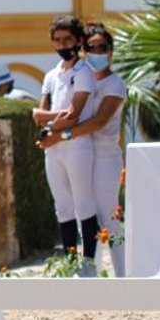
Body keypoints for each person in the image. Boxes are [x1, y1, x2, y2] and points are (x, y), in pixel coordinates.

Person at [39, 23, 127, 275]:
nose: (97, 52)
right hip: (81, 150)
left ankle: (123, 274)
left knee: (109, 217)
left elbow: (98, 121)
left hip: (106, 156)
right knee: (82, 213)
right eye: (91, 47)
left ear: (111, 51)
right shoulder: (77, 77)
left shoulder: (114, 84)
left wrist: (61, 135)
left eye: (103, 47)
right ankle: (92, 270)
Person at [32, 16, 101, 275]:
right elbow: (41, 112)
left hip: (77, 145)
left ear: (78, 41)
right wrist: (49, 121)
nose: (63, 44)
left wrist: (49, 122)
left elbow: (73, 115)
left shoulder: (84, 73)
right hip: (53, 146)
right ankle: (71, 261)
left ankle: (90, 262)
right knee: (62, 204)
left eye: (68, 39)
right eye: (58, 40)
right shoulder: (51, 75)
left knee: (84, 202)